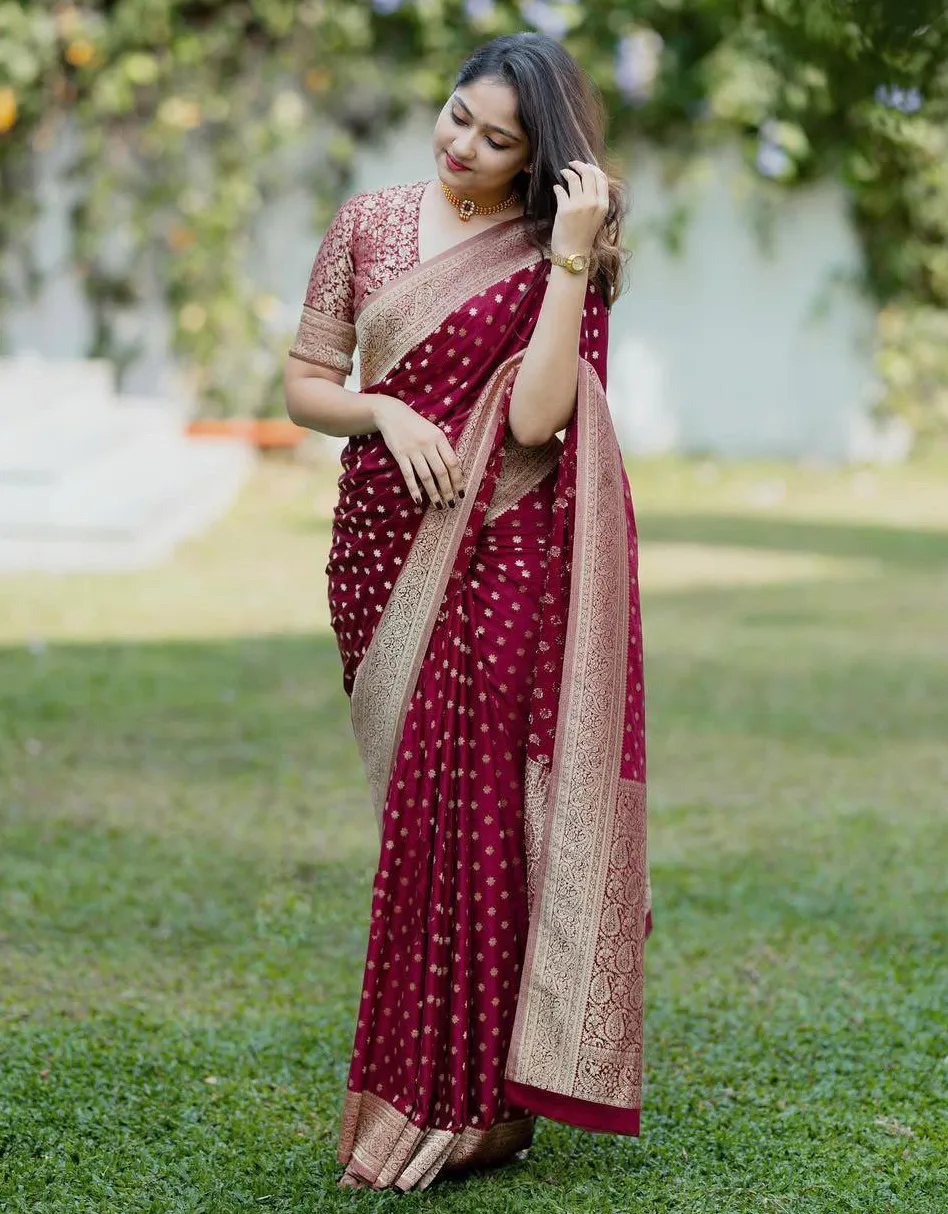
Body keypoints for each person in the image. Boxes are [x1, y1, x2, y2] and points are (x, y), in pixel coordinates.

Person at [283, 30, 652, 1195]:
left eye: (500, 139)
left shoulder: (553, 252)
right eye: (458, 116)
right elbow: (304, 383)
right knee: (420, 821)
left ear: (538, 155)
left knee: (478, 824)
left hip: (504, 558)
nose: (465, 147)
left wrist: (569, 262)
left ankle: (470, 1103)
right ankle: (456, 1090)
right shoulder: (367, 222)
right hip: (381, 548)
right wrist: (384, 415)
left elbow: (540, 418)